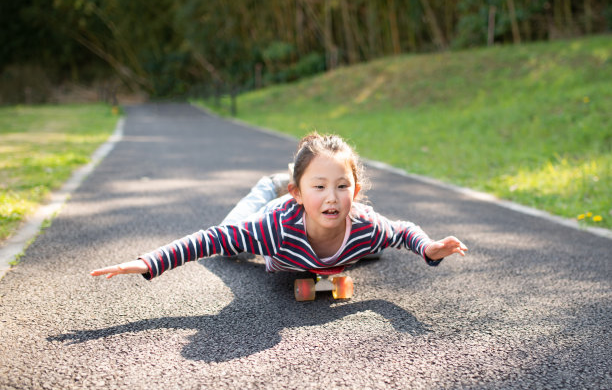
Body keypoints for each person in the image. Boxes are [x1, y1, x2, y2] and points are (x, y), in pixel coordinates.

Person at [90, 132, 467, 280]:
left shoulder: (365, 225)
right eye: (319, 186)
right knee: (229, 247)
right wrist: (149, 261)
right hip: (273, 231)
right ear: (299, 193)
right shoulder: (273, 229)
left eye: (342, 186)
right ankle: (269, 185)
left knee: (375, 249)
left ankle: (329, 237)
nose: (333, 197)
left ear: (356, 189)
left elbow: (402, 230)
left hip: (329, 246)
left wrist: (430, 248)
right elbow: (207, 239)